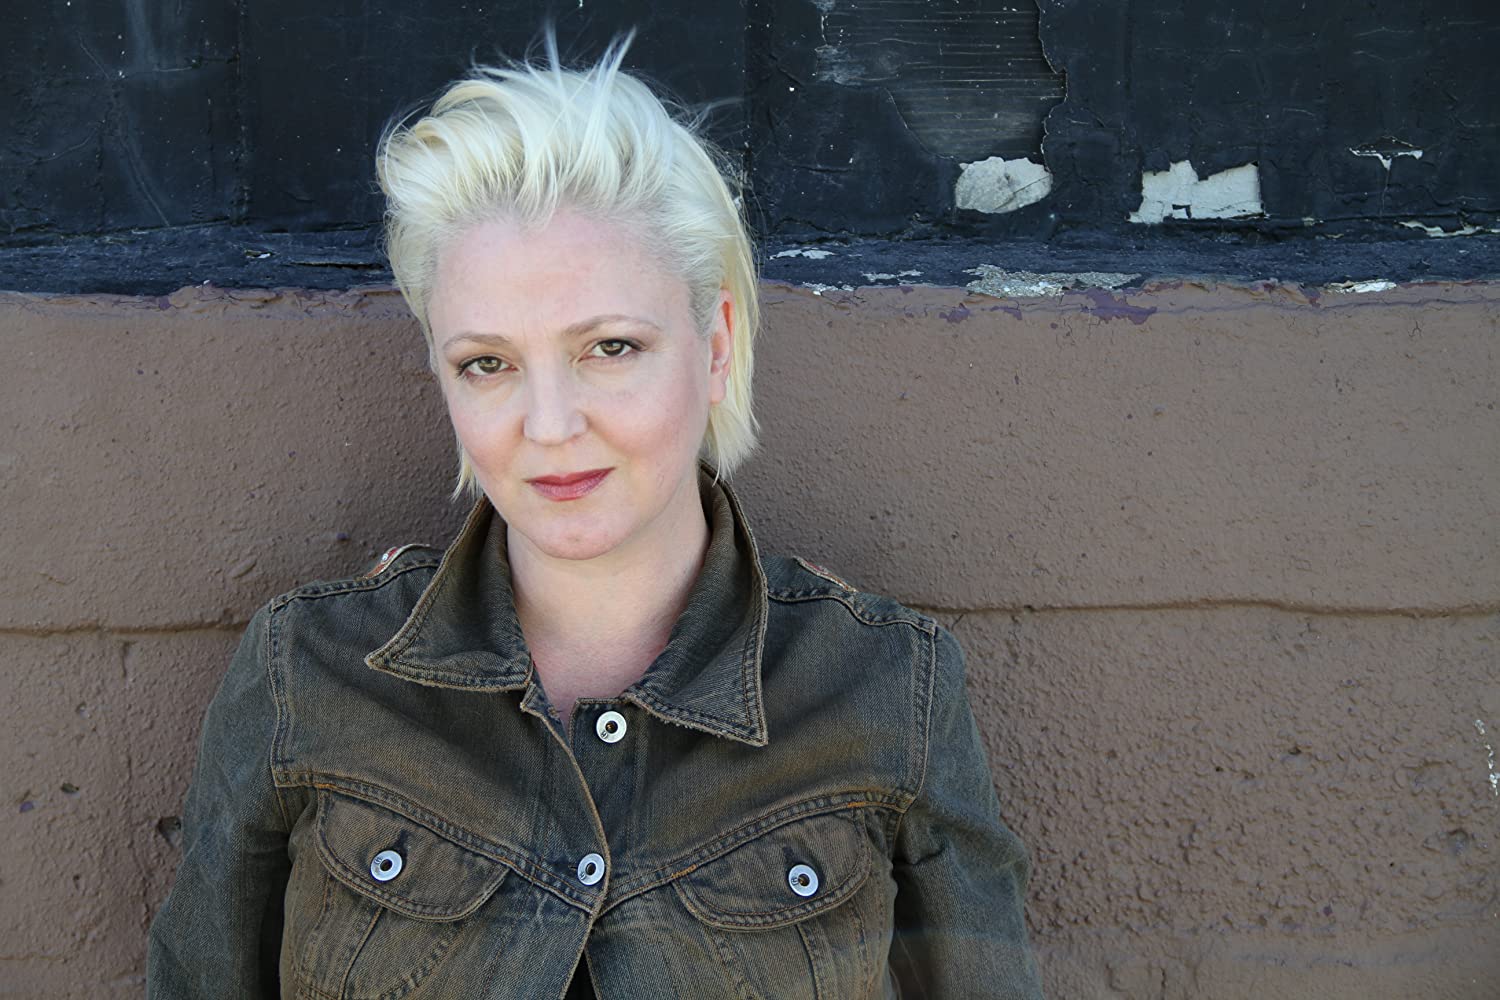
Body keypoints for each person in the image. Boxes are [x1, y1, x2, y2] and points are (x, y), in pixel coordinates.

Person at [146, 27, 1044, 1000]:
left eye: (610, 348)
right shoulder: (308, 672)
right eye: (486, 363)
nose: (549, 425)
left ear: (714, 345)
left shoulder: (884, 686)